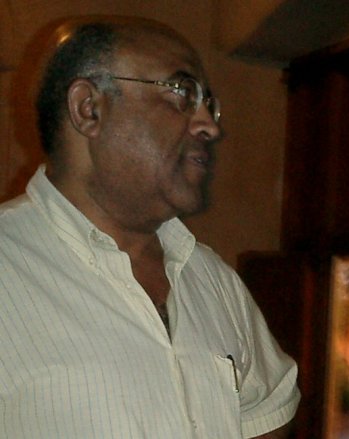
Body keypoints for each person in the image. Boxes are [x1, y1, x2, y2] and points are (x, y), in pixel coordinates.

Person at [0, 17, 300, 438]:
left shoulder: (211, 279)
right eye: (182, 93)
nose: (209, 125)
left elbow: (267, 415)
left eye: (208, 104)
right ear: (89, 108)